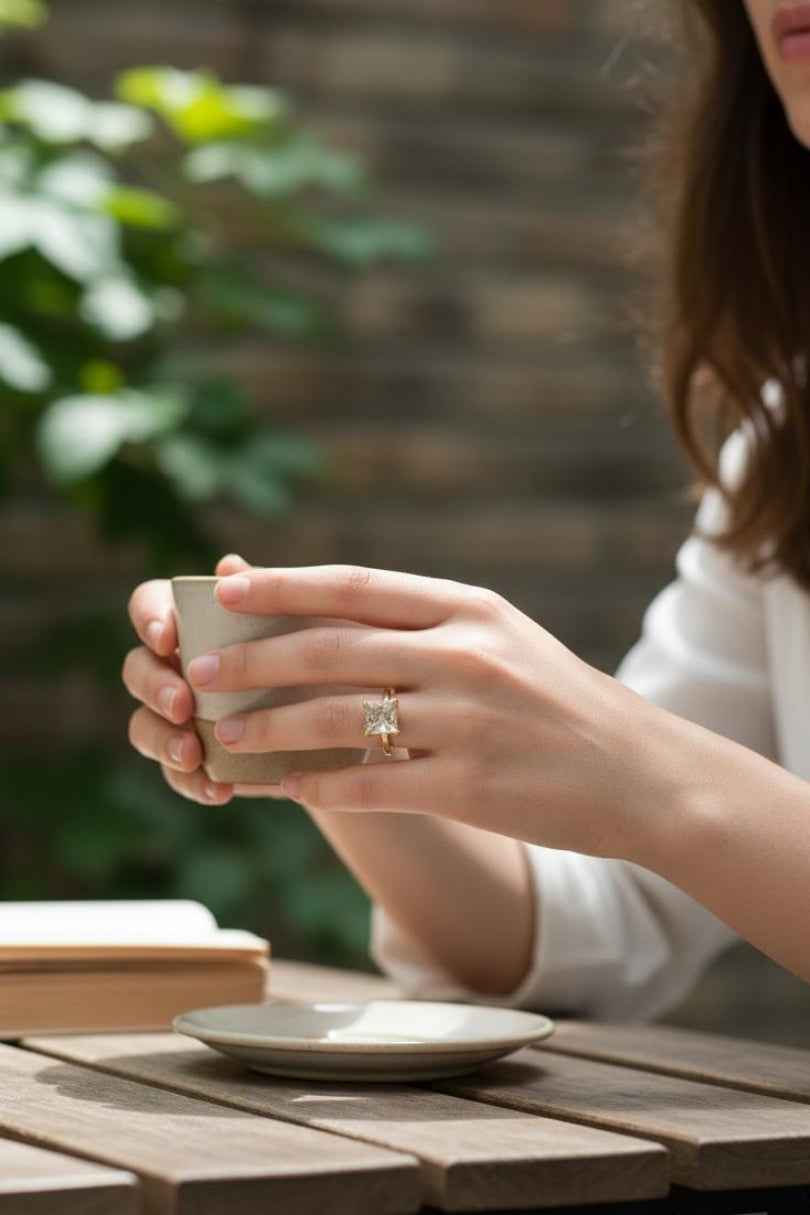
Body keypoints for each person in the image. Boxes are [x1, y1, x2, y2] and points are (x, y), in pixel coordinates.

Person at [121, 1, 810, 1021]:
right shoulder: (785, 447)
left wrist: (647, 776)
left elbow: (680, 813)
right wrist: (327, 736)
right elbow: (605, 927)